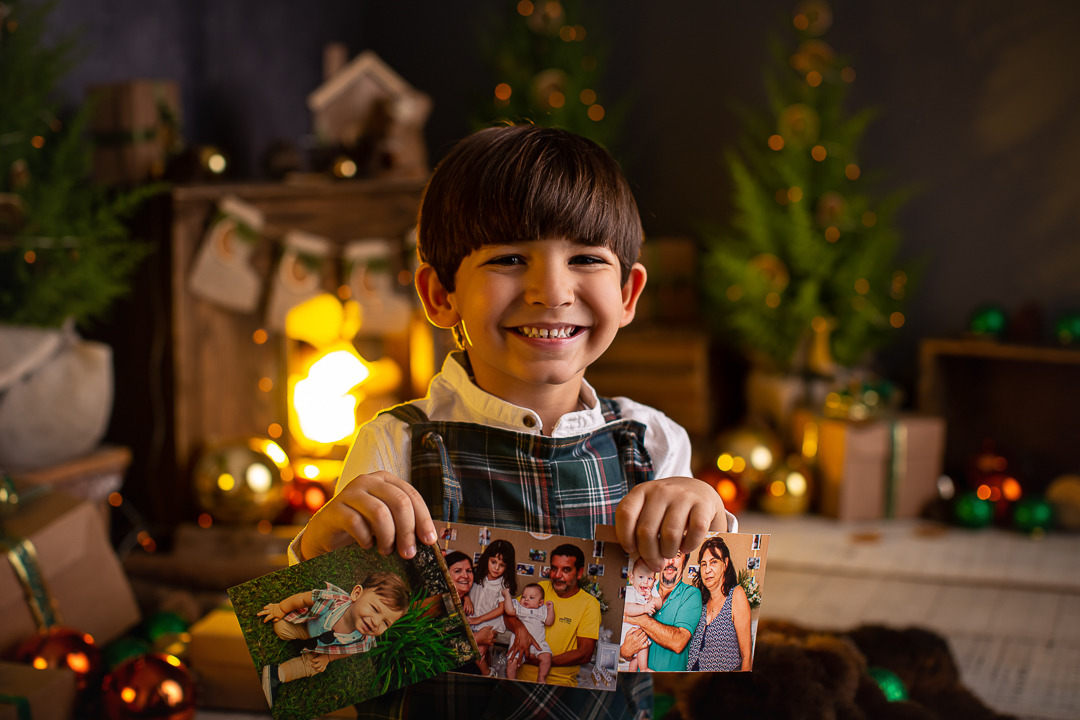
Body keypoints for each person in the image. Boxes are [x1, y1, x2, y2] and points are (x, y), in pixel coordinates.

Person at [290, 124, 734, 719]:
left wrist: (702, 510)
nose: (551, 290)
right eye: (508, 258)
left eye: (585, 258)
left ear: (628, 293)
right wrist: (323, 548)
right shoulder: (396, 444)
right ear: (440, 294)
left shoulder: (652, 442)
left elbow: (702, 625)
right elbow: (324, 658)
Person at [258, 571, 411, 707]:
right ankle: (301, 639)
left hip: (322, 648)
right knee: (280, 628)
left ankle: (277, 674)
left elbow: (348, 651)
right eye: (375, 609)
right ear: (357, 594)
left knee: (314, 667)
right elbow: (303, 599)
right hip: (308, 627)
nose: (376, 623)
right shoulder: (330, 600)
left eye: (386, 623)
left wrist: (328, 658)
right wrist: (281, 608)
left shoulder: (363, 641)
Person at [509, 544, 599, 687]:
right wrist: (519, 628)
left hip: (559, 684)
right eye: (554, 568)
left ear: (580, 573)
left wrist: (542, 659)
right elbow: (509, 614)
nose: (557, 575)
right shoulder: (541, 588)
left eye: (566, 570)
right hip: (519, 678)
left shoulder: (590, 604)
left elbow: (585, 653)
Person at [620, 549, 703, 671]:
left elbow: (678, 642)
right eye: (666, 555)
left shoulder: (691, 594)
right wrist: (624, 651)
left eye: (678, 555)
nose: (671, 561)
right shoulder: (642, 588)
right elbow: (626, 646)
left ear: (685, 563)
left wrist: (639, 618)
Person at [687, 536, 753, 671]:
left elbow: (747, 656)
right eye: (704, 564)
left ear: (725, 564)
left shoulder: (736, 595)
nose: (707, 570)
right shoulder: (700, 601)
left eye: (714, 562)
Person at [467, 538, 517, 673]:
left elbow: (501, 609)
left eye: (502, 565)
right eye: (493, 562)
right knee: (471, 651)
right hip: (471, 623)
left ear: (507, 567)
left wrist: (479, 619)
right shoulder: (477, 575)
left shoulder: (503, 584)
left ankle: (488, 675)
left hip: (489, 625)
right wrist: (466, 598)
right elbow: (464, 589)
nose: (496, 568)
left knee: (479, 653)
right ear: (486, 559)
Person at [501, 582, 554, 682]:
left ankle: (541, 677)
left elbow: (549, 622)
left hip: (538, 643)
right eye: (524, 596)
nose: (526, 599)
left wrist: (551, 609)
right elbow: (509, 611)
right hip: (519, 642)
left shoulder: (542, 610)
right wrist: (507, 596)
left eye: (531, 597)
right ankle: (511, 680)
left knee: (547, 657)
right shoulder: (519, 607)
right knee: (512, 661)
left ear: (540, 603)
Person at [619, 554, 660, 671]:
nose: (645, 582)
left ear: (654, 580)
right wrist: (644, 608)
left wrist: (652, 598)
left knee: (642, 648)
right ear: (632, 578)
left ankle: (642, 668)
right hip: (629, 630)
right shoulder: (631, 591)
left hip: (641, 631)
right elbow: (627, 609)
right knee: (637, 647)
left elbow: (659, 603)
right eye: (641, 577)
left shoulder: (652, 591)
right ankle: (642, 668)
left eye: (650, 578)